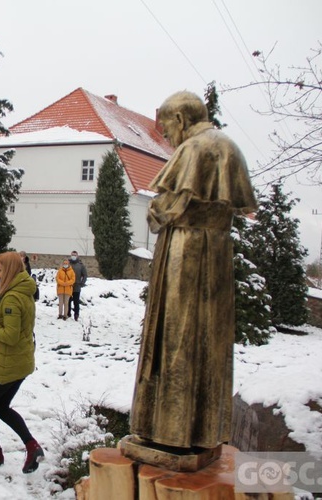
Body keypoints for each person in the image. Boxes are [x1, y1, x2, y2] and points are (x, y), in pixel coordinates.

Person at [129, 92, 256, 454]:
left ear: (181, 120)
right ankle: (201, 431)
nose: (166, 137)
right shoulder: (228, 148)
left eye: (167, 127)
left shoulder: (194, 149)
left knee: (176, 335)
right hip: (217, 254)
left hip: (185, 253)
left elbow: (166, 208)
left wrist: (155, 211)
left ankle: (168, 432)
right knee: (208, 339)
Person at [0, 251, 44, 473]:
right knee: (0, 407)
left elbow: (10, 336)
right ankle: (31, 446)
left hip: (8, 363)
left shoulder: (13, 297)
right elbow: (15, 324)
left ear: (10, 271)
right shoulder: (21, 290)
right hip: (19, 362)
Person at [67, 251, 87, 321]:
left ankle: (76, 314)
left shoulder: (80, 265)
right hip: (68, 286)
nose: (73, 256)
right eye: (72, 255)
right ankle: (67, 313)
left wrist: (82, 283)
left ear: (77, 256)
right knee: (68, 301)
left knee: (76, 302)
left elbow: (85, 275)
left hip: (77, 286)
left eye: (75, 255)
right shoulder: (67, 264)